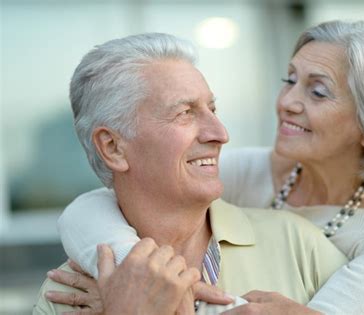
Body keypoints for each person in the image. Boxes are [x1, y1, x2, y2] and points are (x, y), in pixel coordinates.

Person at [45, 20, 364, 314]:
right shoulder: (251, 171)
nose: (287, 101)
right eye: (288, 79)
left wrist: (142, 305)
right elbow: (97, 202)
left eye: (318, 91)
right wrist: (128, 273)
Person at [33, 32, 348, 315]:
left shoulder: (299, 245)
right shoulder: (65, 296)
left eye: (213, 109)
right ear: (113, 147)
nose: (220, 133)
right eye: (185, 113)